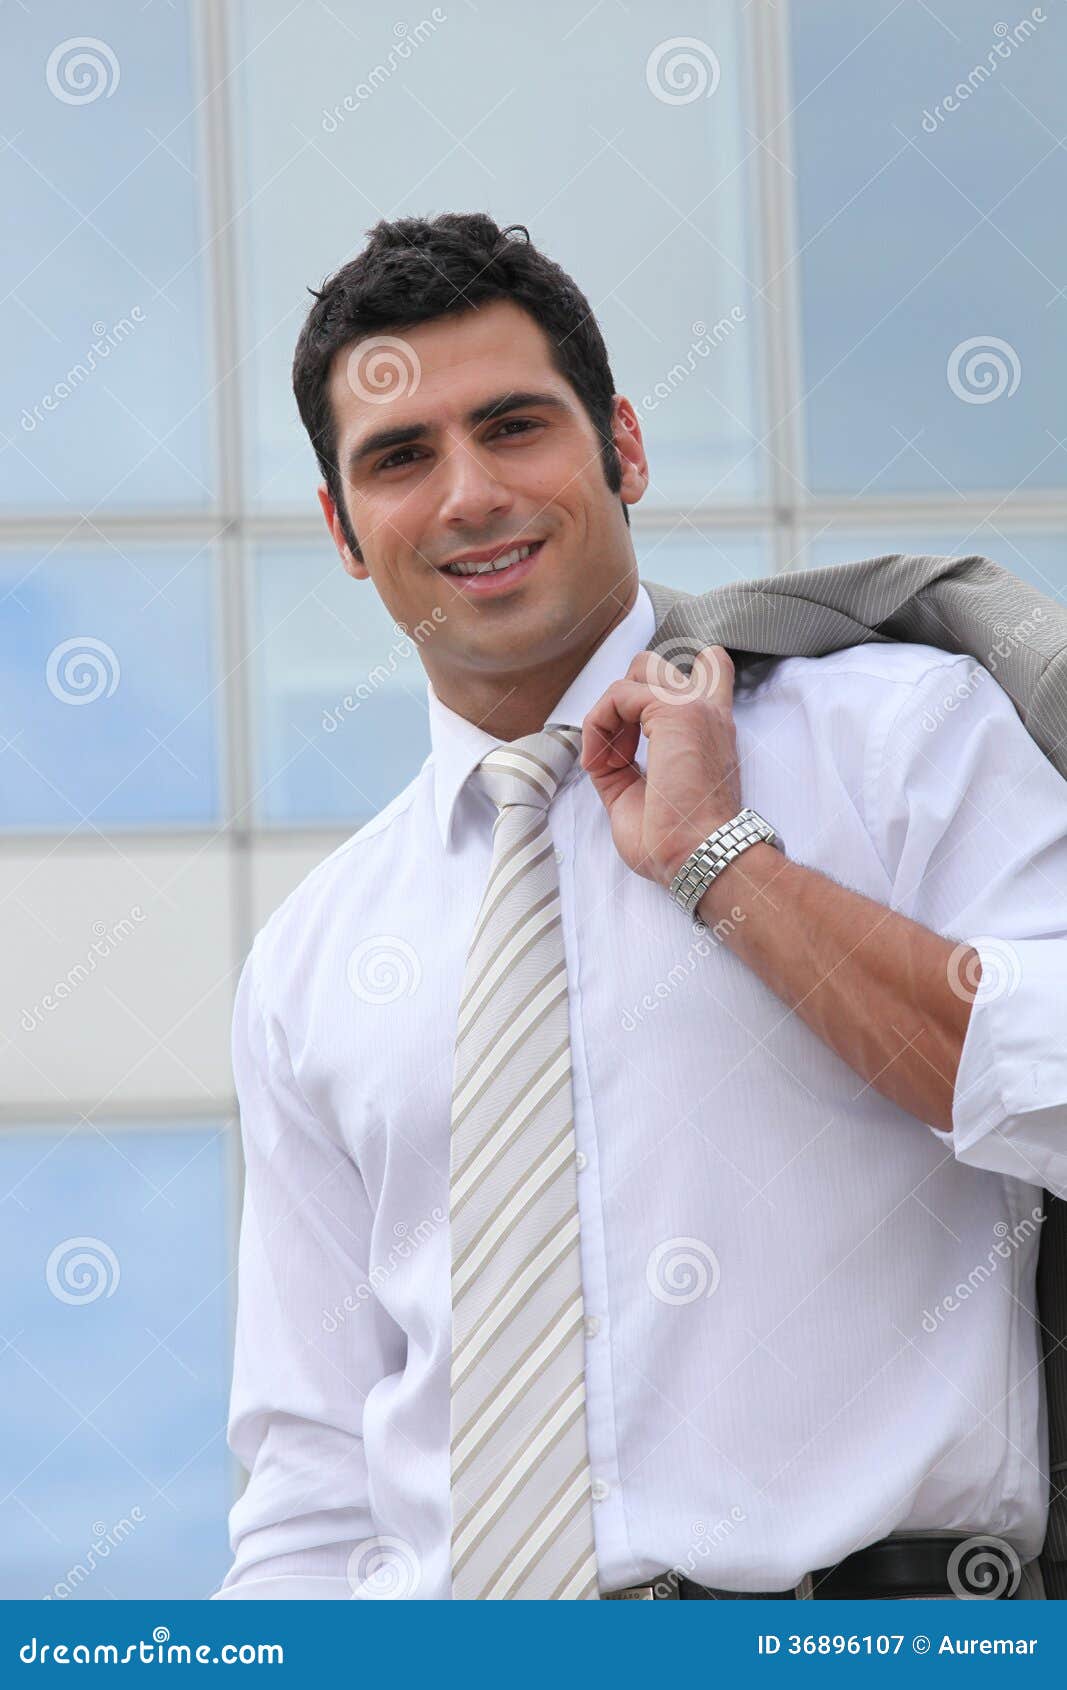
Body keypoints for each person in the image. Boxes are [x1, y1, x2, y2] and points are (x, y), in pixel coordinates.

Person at [211, 212, 1067, 1600]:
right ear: (344, 531)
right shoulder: (310, 957)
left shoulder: (902, 734)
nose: (470, 494)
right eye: (400, 457)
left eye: (514, 427)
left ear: (624, 447)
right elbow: (311, 1484)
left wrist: (726, 864)